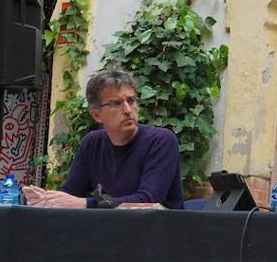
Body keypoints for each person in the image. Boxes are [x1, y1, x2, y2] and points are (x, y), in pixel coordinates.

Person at [23, 69, 184, 209]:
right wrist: (48, 199)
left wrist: (85, 204)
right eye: (117, 103)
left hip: (159, 236)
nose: (128, 110)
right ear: (96, 114)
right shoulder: (92, 143)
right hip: (110, 234)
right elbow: (71, 193)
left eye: (131, 100)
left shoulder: (161, 141)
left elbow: (149, 201)